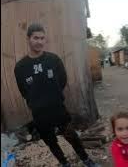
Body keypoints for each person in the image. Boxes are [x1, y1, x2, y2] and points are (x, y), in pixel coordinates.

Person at [14, 23, 98, 167]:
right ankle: (64, 163)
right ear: (28, 39)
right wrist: (35, 102)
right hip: (39, 113)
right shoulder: (20, 67)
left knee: (71, 136)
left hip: (58, 108)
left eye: (42, 38)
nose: (39, 41)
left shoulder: (53, 60)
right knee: (51, 142)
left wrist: (53, 96)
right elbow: (23, 90)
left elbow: (62, 80)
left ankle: (86, 160)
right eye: (36, 38)